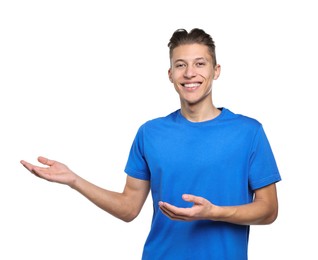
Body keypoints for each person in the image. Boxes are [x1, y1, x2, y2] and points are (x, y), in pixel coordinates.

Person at [20, 28, 281, 260]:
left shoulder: (249, 132)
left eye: (200, 63)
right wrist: (74, 180)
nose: (190, 73)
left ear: (216, 70)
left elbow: (268, 210)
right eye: (180, 65)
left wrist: (214, 212)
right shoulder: (150, 133)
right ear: (170, 74)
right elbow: (128, 208)